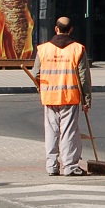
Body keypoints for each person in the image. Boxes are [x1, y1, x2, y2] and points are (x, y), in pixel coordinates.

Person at [31, 16, 92, 176]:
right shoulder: (78, 49)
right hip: (69, 97)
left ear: (56, 29)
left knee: (51, 131)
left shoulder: (43, 49)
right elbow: (84, 78)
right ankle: (70, 167)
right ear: (70, 29)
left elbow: (35, 74)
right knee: (68, 132)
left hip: (49, 97)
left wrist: (41, 88)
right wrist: (86, 100)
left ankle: (51, 166)